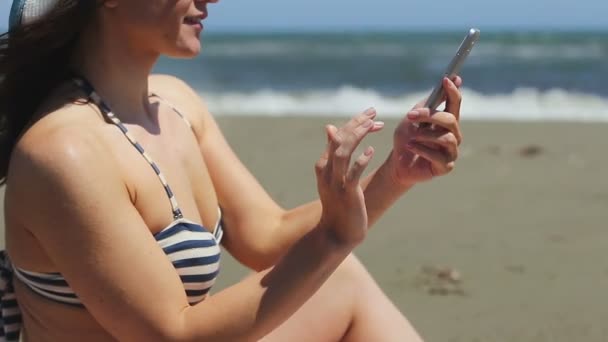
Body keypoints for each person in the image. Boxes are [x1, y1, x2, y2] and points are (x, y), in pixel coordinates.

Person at [0, 0, 464, 341]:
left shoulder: (175, 104)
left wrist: (394, 175)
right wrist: (333, 238)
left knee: (342, 279)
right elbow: (173, 335)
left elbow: (265, 237)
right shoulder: (63, 151)